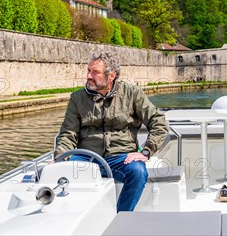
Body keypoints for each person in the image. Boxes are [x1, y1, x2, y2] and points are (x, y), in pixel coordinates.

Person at [54, 51, 168, 212]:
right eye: (88, 70)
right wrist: (60, 157)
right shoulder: (77, 98)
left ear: (111, 76)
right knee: (57, 174)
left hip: (121, 156)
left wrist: (147, 151)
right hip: (86, 157)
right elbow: (68, 134)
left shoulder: (132, 94)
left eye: (95, 72)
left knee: (138, 172)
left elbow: (158, 122)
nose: (88, 76)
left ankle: (120, 216)